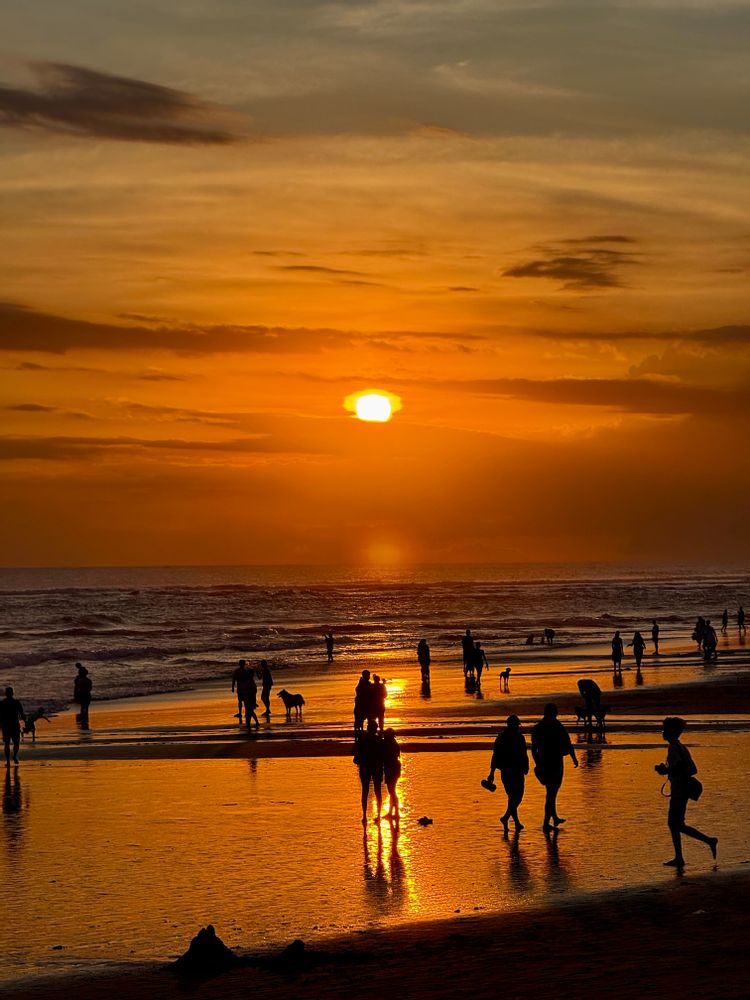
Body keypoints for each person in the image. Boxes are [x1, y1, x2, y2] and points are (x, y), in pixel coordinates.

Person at [654, 716, 717, 867]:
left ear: (671, 732)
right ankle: (680, 856)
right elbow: (692, 768)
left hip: (679, 790)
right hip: (681, 790)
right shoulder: (681, 747)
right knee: (676, 824)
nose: (662, 732)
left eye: (665, 729)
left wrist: (665, 770)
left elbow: (680, 767)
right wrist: (669, 770)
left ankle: (706, 842)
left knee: (675, 823)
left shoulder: (674, 748)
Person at [531, 704, 578, 831]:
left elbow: (533, 749)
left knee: (551, 793)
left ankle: (554, 818)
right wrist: (574, 758)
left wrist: (537, 762)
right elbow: (568, 744)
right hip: (555, 763)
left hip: (544, 762)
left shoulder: (537, 728)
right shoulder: (557, 727)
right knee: (551, 794)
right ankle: (546, 823)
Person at [486, 714, 529, 833]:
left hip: (516, 770)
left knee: (514, 797)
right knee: (516, 797)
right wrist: (491, 773)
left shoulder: (518, 737)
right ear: (511, 725)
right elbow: (496, 755)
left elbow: (524, 753)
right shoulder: (504, 737)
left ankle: (514, 822)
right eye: (515, 725)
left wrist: (526, 766)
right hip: (509, 771)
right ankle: (506, 818)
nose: (517, 727)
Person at [355, 720, 383, 824]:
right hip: (376, 767)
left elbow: (356, 757)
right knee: (377, 791)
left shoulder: (362, 740)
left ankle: (364, 816)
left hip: (365, 767)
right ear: (376, 729)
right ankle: (379, 815)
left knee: (365, 791)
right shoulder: (379, 740)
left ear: (368, 728)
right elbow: (382, 756)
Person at [1, 687, 25, 767]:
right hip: (14, 725)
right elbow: (22, 714)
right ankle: (14, 755)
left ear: (6, 694)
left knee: (7, 744)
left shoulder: (2, 703)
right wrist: (26, 722)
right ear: (12, 693)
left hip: (6, 725)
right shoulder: (16, 702)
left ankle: (8, 761)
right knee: (16, 743)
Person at [233, 660, 259, 728]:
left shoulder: (248, 681)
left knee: (249, 710)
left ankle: (251, 723)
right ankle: (252, 722)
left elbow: (252, 691)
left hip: (247, 695)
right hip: (247, 695)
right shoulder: (248, 678)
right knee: (249, 710)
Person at [382, 728, 402, 820]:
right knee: (392, 791)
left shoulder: (390, 745)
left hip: (392, 768)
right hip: (395, 768)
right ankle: (392, 812)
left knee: (392, 791)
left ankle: (396, 812)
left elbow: (387, 757)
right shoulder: (394, 744)